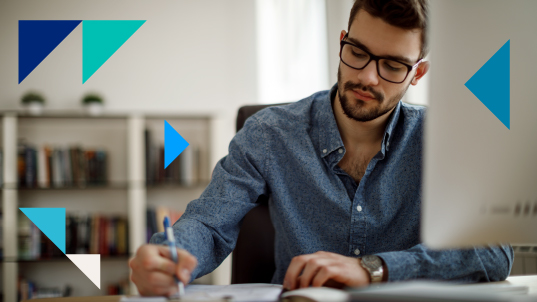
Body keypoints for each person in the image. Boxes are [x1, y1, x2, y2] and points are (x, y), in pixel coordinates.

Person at [129, 0, 513, 296]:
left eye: (393, 65)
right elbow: (209, 224)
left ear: (418, 73)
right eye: (358, 52)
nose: (366, 76)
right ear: (342, 41)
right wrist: (166, 255)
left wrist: (372, 269)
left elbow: (494, 251)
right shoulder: (268, 134)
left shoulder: (444, 139)